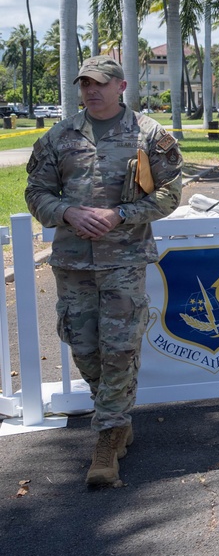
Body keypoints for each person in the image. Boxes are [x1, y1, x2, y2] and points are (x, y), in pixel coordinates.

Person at [24, 54, 183, 486]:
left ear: (121, 87)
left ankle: (107, 437)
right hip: (73, 262)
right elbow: (35, 193)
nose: (91, 91)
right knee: (84, 346)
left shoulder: (150, 135)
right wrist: (69, 212)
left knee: (120, 346)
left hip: (124, 260)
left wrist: (121, 214)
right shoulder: (60, 136)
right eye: (85, 84)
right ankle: (115, 416)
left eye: (100, 83)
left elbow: (170, 194)